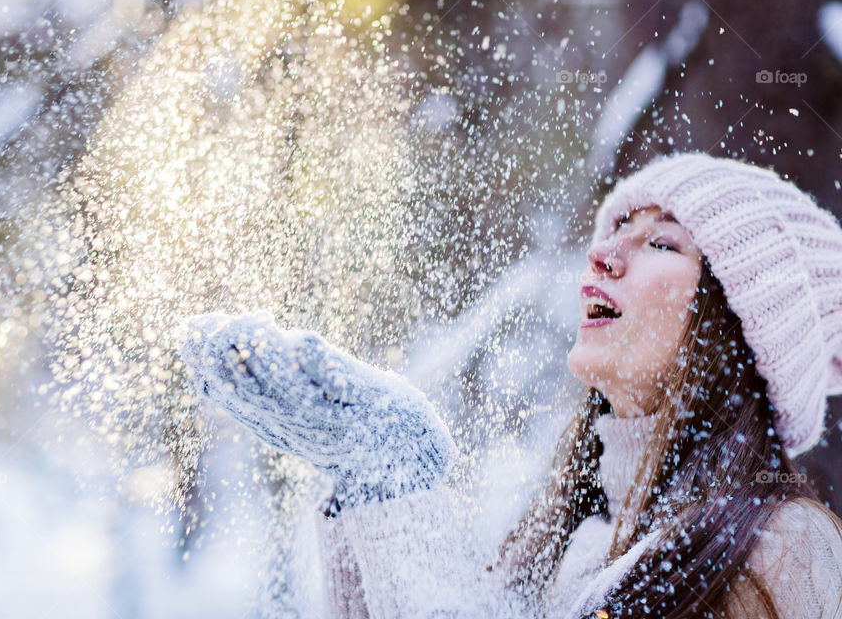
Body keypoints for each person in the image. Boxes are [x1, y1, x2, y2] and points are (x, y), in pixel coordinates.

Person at [179, 152, 842, 618]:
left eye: (662, 244)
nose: (602, 255)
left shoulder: (787, 552)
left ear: (739, 330)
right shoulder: (567, 543)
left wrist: (399, 474)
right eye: (617, 228)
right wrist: (367, 487)